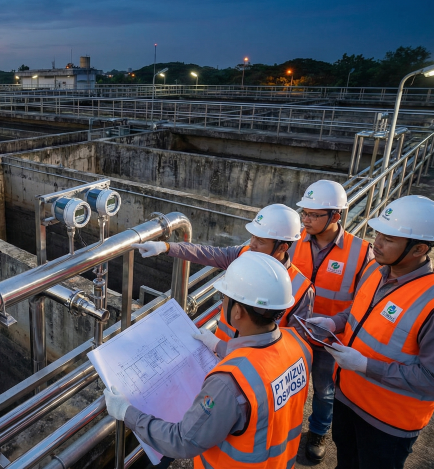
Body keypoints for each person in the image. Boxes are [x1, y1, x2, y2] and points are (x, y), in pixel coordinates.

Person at [104, 252, 312, 468]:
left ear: (238, 311)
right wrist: (220, 346)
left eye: (225, 298)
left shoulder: (228, 383)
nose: (222, 303)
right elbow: (267, 367)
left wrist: (127, 413)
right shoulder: (299, 345)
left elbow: (183, 440)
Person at [307, 195, 434, 469]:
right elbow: (360, 312)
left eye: (388, 239)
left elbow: (430, 378)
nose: (376, 242)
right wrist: (334, 323)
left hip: (388, 423)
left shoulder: (430, 302)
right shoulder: (375, 269)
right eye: (377, 234)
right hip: (348, 398)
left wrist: (366, 366)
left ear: (419, 249)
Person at [132, 203, 314, 352]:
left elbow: (292, 349)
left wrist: (221, 347)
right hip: (218, 355)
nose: (252, 244)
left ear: (283, 247)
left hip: (249, 371)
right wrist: (167, 247)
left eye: (261, 241)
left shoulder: (301, 288)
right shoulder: (243, 254)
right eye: (253, 236)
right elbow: (208, 253)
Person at [288, 179, 374, 462]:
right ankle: (287, 429)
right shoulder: (293, 241)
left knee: (325, 391)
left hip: (330, 339)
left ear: (335, 216)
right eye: (304, 213)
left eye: (314, 215)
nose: (306, 220)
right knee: (288, 387)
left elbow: (367, 303)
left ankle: (318, 431)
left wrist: (335, 324)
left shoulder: (361, 253)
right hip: (294, 334)